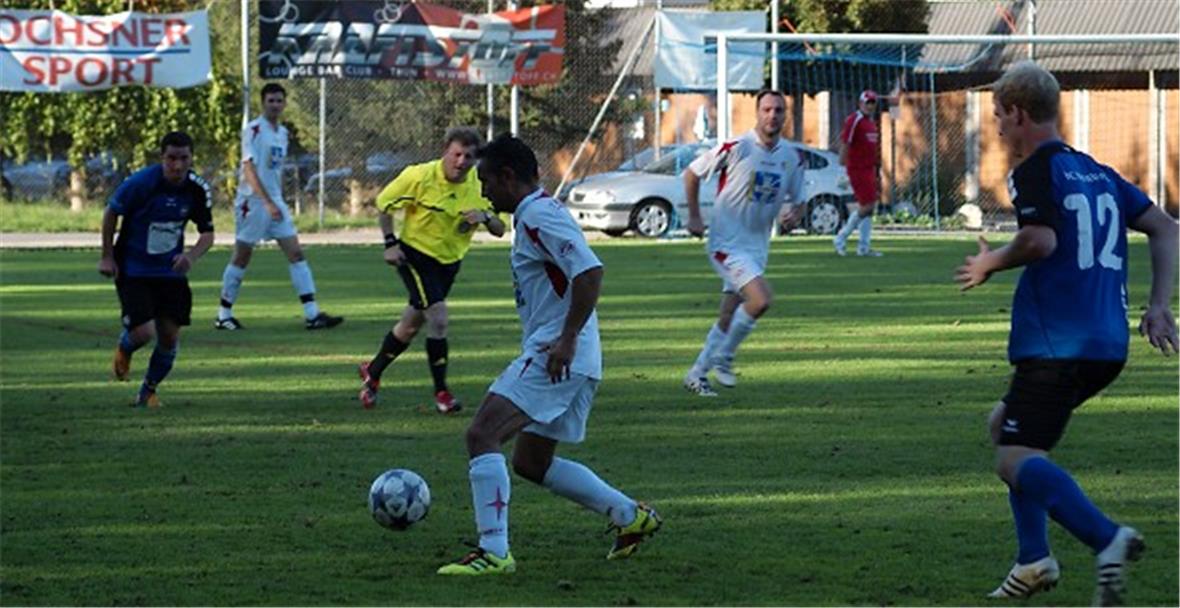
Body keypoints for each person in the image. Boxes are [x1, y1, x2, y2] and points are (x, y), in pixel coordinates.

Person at [955, 61, 1178, 606]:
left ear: (1020, 114)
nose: (999, 130)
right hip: (1107, 343)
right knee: (1005, 427)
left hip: (1058, 340)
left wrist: (992, 263)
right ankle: (1033, 560)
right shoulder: (1098, 172)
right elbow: (1167, 227)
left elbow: (1040, 242)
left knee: (1013, 457)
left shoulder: (1034, 170)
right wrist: (1159, 307)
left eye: (1000, 117)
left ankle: (1106, 539)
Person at [436, 135, 661, 576]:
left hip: (557, 354)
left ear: (507, 176)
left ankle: (494, 553)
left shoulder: (537, 215)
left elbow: (591, 271)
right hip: (575, 356)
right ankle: (629, 516)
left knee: (481, 434)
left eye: (486, 181)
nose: (482, 191)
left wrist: (566, 338)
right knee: (530, 462)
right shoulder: (536, 214)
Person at [358, 127, 506, 413]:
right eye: (457, 154)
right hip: (415, 255)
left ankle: (372, 372)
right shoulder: (420, 176)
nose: (461, 161)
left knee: (410, 325)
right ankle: (442, 394)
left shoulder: (480, 184)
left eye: (469, 156)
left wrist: (486, 217)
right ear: (445, 152)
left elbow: (500, 229)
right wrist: (390, 244)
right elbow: (384, 204)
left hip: (449, 263)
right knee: (438, 318)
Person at [682, 89, 806, 397]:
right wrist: (695, 217)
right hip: (726, 243)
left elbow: (799, 200)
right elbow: (692, 173)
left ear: (784, 115)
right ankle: (724, 357)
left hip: (756, 247)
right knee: (761, 300)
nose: (772, 116)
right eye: (766, 109)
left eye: (778, 110)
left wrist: (795, 215)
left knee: (728, 315)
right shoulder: (738, 147)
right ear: (757, 113)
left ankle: (697, 374)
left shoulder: (792, 157)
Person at [100, 131, 215, 408]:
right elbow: (110, 213)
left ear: (191, 159)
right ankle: (125, 347)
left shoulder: (197, 189)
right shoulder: (141, 184)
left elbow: (207, 234)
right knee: (143, 333)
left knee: (169, 336)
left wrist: (191, 257)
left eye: (183, 158)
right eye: (171, 158)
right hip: (133, 269)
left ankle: (147, 391)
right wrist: (107, 256)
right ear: (162, 158)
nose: (177, 165)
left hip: (170, 273)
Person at [215, 82, 343, 331]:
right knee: (242, 256)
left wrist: (275, 200)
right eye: (270, 100)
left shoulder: (282, 133)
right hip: (252, 203)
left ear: (284, 103)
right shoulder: (252, 130)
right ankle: (223, 314)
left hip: (275, 201)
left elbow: (274, 169)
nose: (275, 105)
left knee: (296, 253)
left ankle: (312, 314)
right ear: (262, 103)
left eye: (278, 100)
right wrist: (265, 201)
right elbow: (248, 168)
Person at [833, 89, 883, 257]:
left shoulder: (871, 122)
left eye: (872, 103)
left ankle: (864, 247)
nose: (870, 106)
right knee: (867, 205)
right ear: (860, 103)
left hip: (869, 168)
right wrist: (842, 166)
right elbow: (846, 142)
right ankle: (841, 236)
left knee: (870, 206)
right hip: (857, 168)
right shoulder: (855, 120)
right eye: (867, 103)